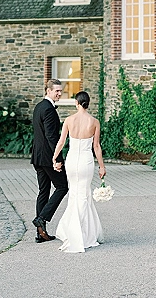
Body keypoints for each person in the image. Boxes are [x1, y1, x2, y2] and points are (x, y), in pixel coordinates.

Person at [52, 90, 106, 253]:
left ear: (77, 103)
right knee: (84, 193)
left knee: (75, 193)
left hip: (72, 160)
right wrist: (102, 166)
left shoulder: (69, 120)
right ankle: (82, 233)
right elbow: (96, 146)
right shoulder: (94, 122)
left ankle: (73, 230)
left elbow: (61, 142)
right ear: (87, 104)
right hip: (85, 161)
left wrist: (55, 158)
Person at [30, 78, 69, 243]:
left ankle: (41, 233)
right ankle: (42, 218)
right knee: (62, 187)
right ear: (48, 91)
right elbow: (51, 137)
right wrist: (58, 159)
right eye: (56, 91)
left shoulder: (39, 107)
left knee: (43, 192)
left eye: (60, 91)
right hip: (47, 158)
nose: (59, 93)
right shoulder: (49, 110)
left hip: (38, 157)